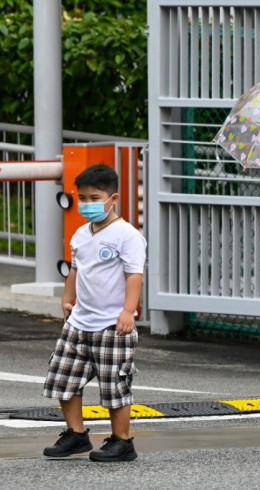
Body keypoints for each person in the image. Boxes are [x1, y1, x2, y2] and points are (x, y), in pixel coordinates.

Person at [42, 164, 147, 462]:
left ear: (113, 199)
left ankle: (122, 442)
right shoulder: (80, 234)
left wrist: (128, 311)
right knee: (63, 378)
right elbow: (75, 270)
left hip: (113, 325)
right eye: (83, 197)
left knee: (115, 385)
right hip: (79, 323)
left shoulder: (127, 235)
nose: (87, 204)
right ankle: (76, 434)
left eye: (94, 197)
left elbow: (134, 276)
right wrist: (67, 299)